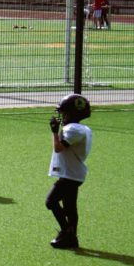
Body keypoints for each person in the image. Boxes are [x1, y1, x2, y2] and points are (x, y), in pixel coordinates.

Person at [45, 94, 92, 249]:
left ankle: (67, 233)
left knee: (51, 201)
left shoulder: (74, 130)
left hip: (70, 174)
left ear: (73, 113)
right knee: (70, 207)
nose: (62, 116)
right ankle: (72, 238)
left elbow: (58, 148)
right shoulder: (82, 129)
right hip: (73, 173)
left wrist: (54, 131)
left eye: (65, 113)